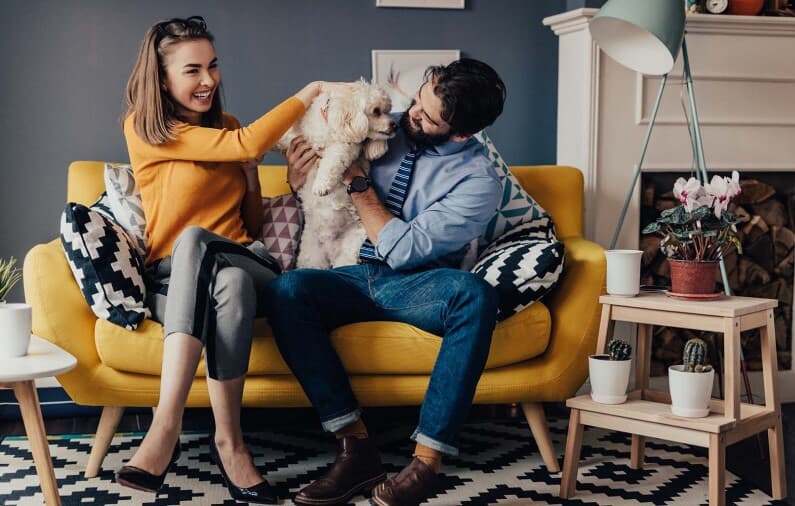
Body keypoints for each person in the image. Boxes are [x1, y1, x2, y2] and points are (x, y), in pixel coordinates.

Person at [114, 16, 332, 504]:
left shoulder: (230, 129)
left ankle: (164, 425)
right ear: (162, 78)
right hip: (175, 281)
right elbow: (248, 144)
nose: (208, 80)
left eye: (212, 66)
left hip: (251, 261)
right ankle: (231, 444)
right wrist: (312, 89)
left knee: (205, 246)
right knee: (225, 283)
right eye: (192, 70)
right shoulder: (146, 130)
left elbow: (252, 225)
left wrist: (254, 179)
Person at [269, 58, 507, 506]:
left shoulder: (479, 183)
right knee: (287, 291)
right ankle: (354, 446)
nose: (409, 114)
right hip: (348, 272)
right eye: (418, 98)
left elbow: (402, 249)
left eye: (427, 116)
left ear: (461, 132)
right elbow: (318, 179)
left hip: (415, 284)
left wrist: (359, 183)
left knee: (476, 295)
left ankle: (426, 461)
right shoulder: (378, 124)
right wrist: (297, 177)